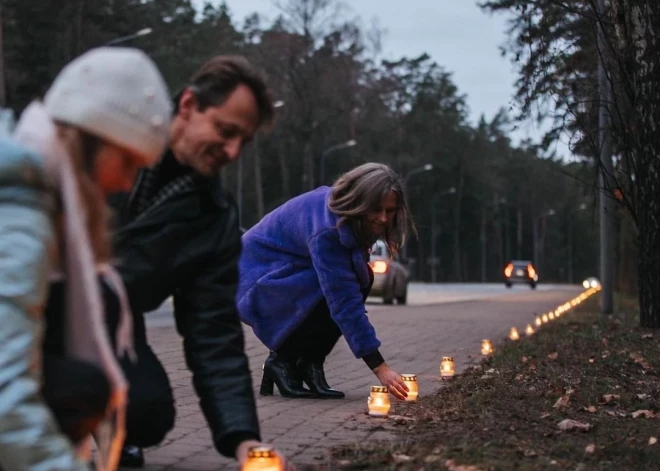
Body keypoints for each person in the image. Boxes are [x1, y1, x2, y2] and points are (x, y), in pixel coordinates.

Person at [109, 55, 290, 469]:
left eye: (242, 142)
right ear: (188, 105)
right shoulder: (110, 141)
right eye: (226, 132)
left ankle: (112, 425)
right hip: (27, 304)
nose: (231, 151)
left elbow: (214, 334)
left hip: (110, 324)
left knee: (147, 410)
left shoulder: (213, 219)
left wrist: (244, 439)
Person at [0, 47, 171, 471]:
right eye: (128, 161)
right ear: (91, 136)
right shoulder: (21, 213)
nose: (128, 182)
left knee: (82, 383)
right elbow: (4, 387)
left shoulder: (40, 195)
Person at [236, 163, 411, 401]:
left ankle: (310, 365)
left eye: (389, 211)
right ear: (359, 202)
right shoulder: (329, 229)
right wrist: (379, 366)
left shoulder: (346, 215)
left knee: (361, 277)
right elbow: (344, 301)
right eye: (376, 209)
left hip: (282, 274)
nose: (382, 218)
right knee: (334, 289)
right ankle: (283, 362)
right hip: (252, 281)